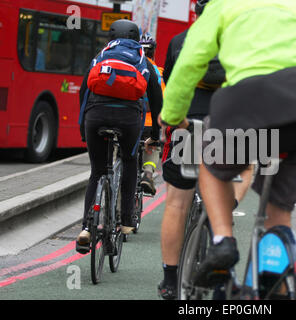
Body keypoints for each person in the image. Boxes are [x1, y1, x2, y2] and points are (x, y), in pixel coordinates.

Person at [158, 0, 296, 287]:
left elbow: (190, 60)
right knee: (278, 217)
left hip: (242, 108)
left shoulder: (223, 5)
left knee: (212, 163)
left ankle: (223, 239)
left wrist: (172, 115)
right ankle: (276, 279)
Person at [154, 0, 254, 300]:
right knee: (248, 166)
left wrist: (169, 123)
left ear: (195, 13)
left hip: (189, 124)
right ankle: (221, 214)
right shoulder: (240, 38)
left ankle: (170, 281)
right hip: (229, 121)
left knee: (176, 203)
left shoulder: (179, 41)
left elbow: (170, 85)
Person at [76, 20, 163, 253]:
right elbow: (156, 100)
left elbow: (84, 91)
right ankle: (126, 221)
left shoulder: (100, 56)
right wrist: (155, 133)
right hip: (129, 120)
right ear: (136, 38)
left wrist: (83, 125)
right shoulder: (142, 60)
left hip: (96, 116)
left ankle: (86, 228)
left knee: (97, 171)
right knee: (128, 160)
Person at [139, 33, 165, 196]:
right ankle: (148, 173)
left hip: (131, 121)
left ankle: (118, 210)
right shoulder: (159, 72)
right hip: (150, 123)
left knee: (125, 164)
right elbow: (163, 101)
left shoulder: (131, 67)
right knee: (153, 147)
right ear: (153, 52)